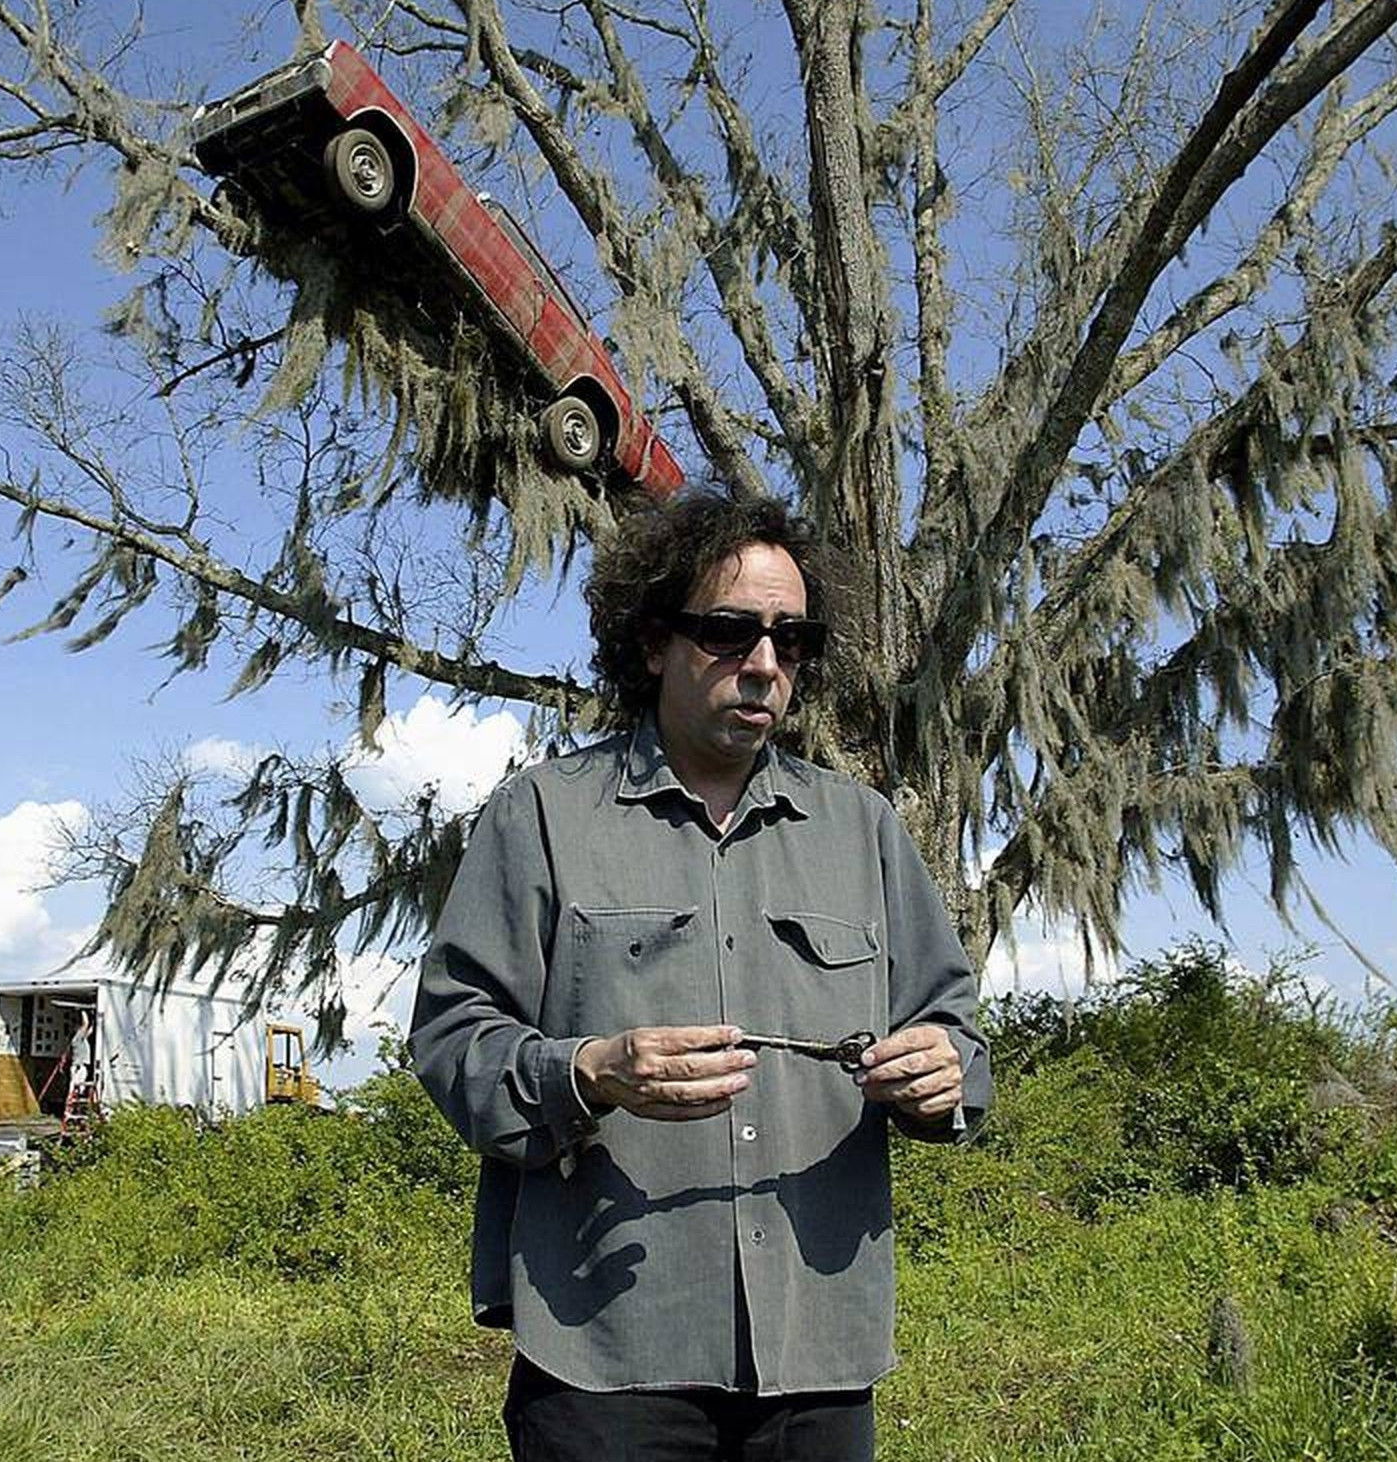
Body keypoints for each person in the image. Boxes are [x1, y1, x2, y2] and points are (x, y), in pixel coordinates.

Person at [410, 492, 991, 1462]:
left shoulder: (862, 830)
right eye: (728, 632)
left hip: (817, 1351)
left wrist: (942, 1073)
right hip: (606, 1349)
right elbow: (451, 1036)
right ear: (652, 643)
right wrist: (588, 1071)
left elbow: (953, 1030)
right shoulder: (543, 814)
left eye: (791, 639)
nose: (763, 663)